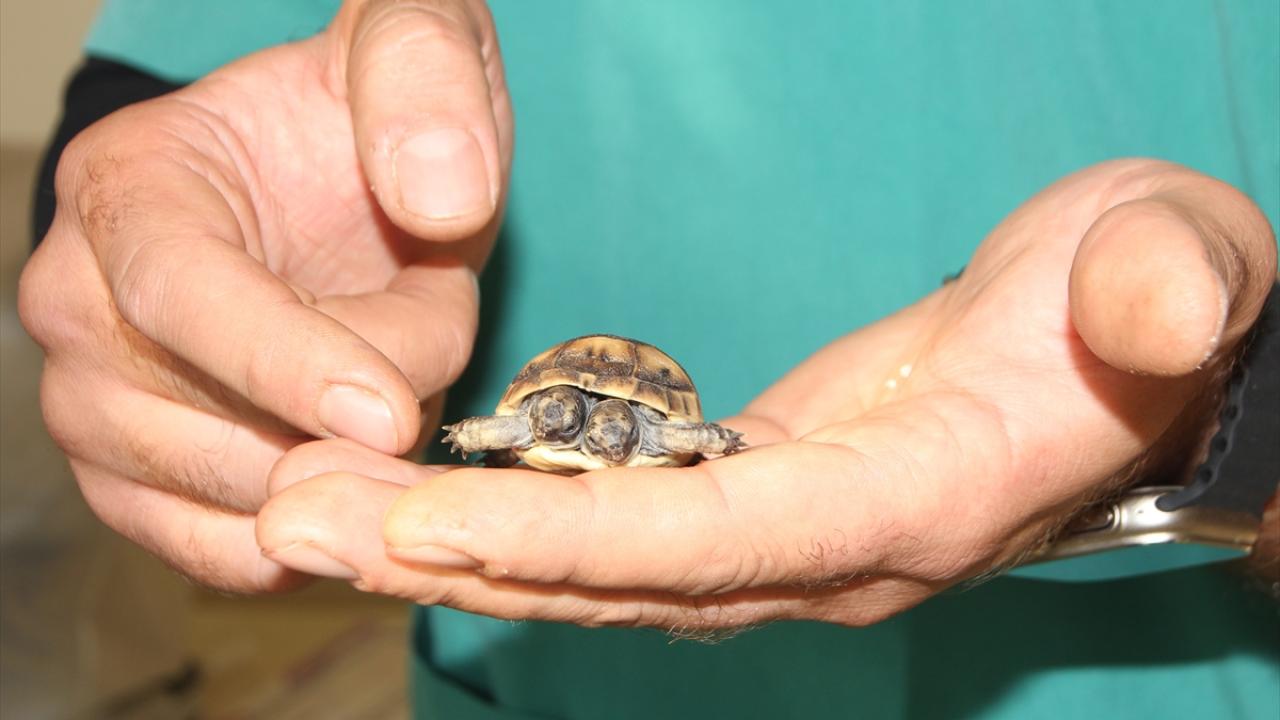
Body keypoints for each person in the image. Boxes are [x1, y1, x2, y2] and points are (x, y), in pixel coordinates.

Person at [19, 1, 1279, 717]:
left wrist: (1240, 418)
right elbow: (152, 90)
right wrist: (155, 265)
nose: (609, 433)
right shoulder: (555, 418)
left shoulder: (653, 429)